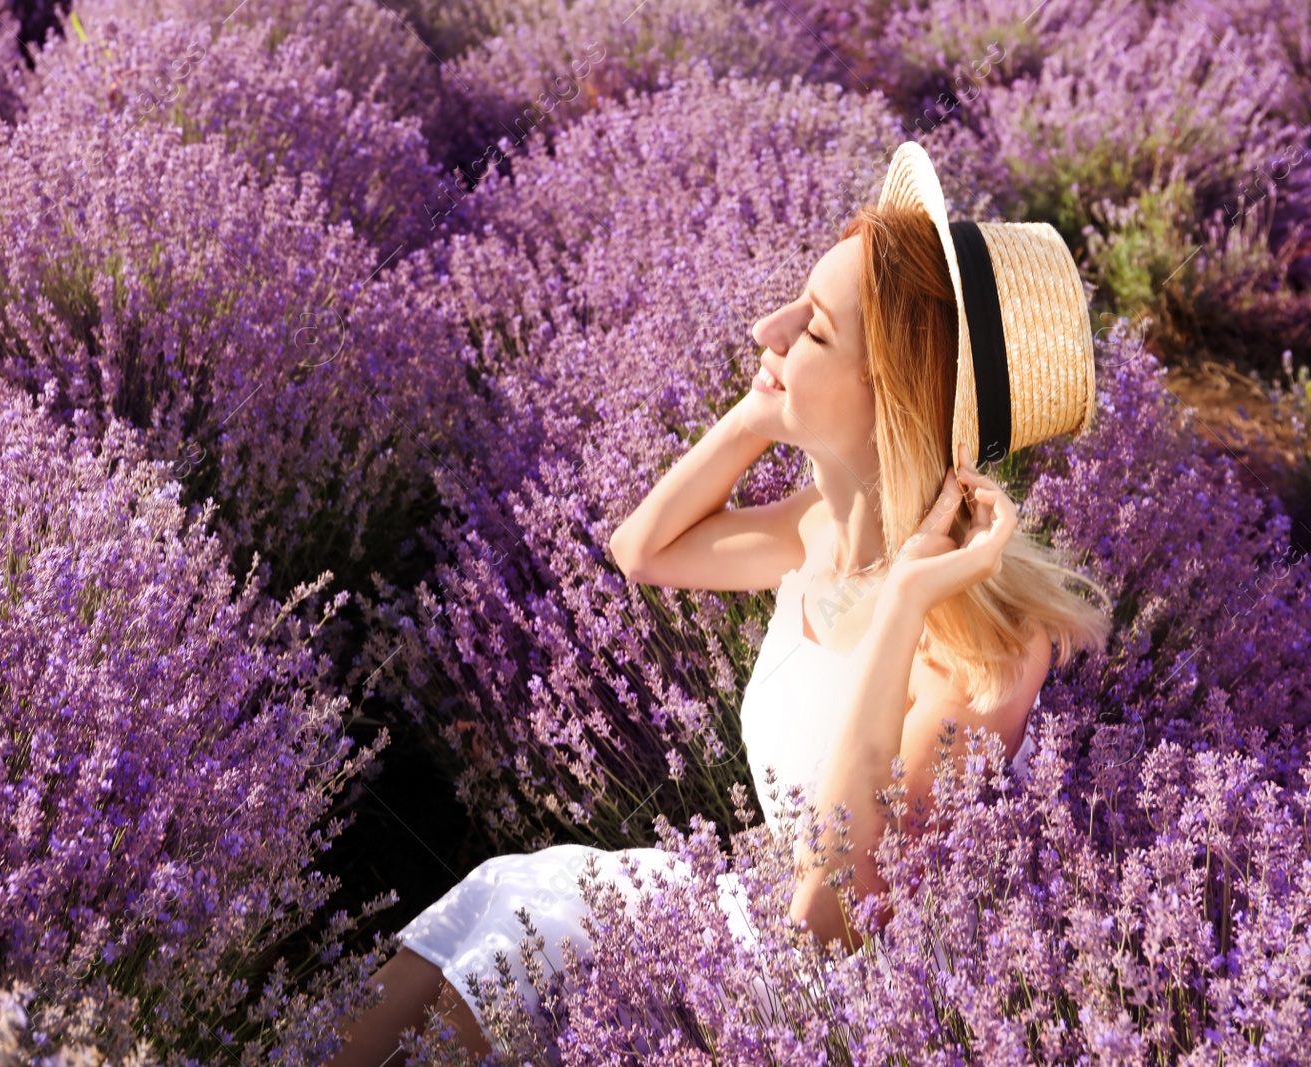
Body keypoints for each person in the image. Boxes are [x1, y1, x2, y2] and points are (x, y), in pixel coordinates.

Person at [327, 141, 1113, 1065]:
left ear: (891, 394)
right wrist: (758, 407)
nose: (763, 326)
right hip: (732, 898)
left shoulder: (986, 648)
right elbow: (642, 549)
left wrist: (902, 607)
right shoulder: (823, 530)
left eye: (812, 327)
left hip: (801, 995)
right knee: (508, 889)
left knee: (530, 947)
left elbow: (829, 916)